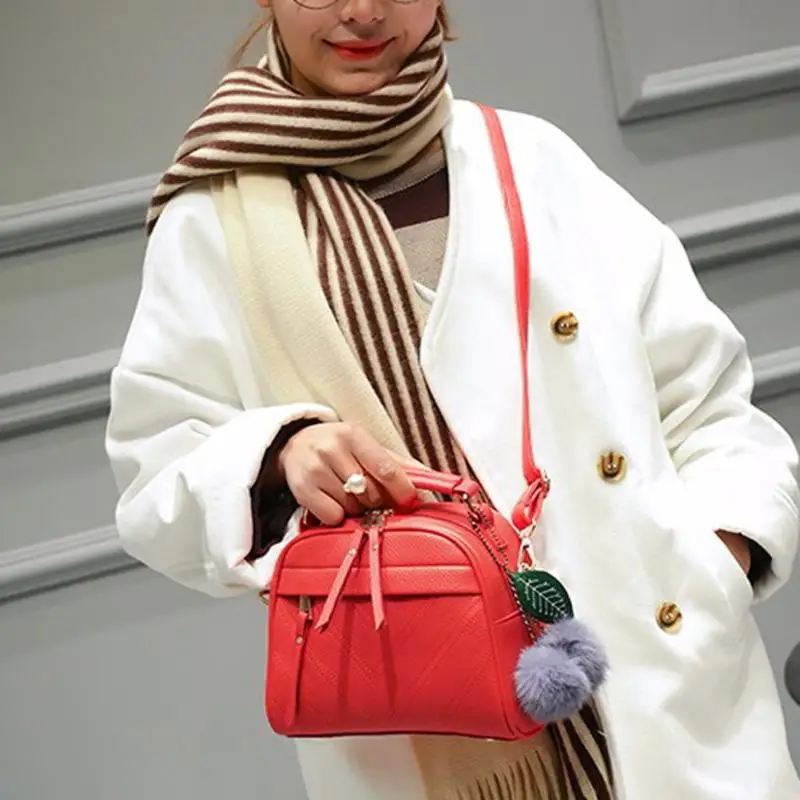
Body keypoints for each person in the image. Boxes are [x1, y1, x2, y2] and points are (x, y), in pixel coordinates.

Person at [104, 1, 800, 798]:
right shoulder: (211, 223)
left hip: (669, 697)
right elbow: (156, 473)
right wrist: (280, 453)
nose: (362, 11)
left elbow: (706, 399)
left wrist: (719, 559)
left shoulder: (536, 163)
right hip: (428, 733)